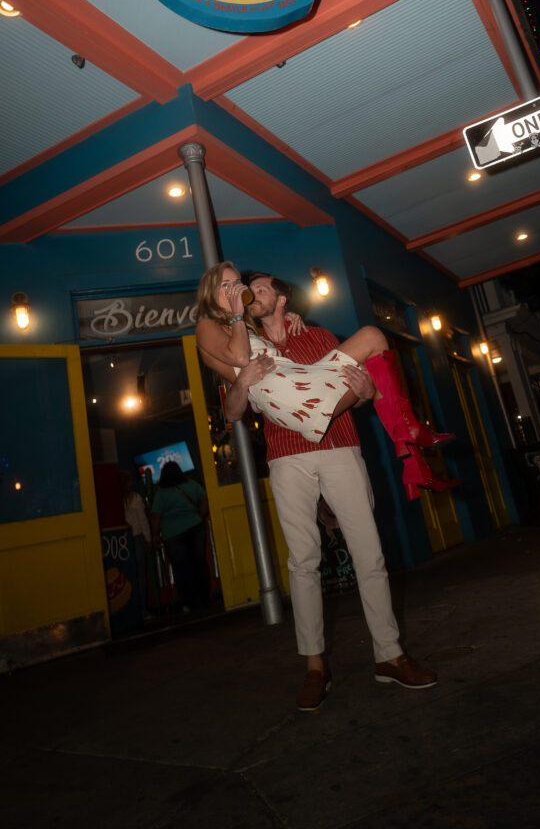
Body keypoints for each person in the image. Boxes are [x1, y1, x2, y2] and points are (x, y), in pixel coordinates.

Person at [195, 262, 450, 711]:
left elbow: (358, 387)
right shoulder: (237, 339)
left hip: (340, 447)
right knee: (303, 562)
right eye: (238, 288)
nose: (248, 294)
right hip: (285, 454)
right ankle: (315, 668)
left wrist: (361, 397)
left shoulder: (316, 335)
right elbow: (233, 411)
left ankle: (389, 655)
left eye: (255, 288)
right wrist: (246, 378)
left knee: (369, 551)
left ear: (282, 298)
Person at [195, 262, 458, 500]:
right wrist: (239, 315)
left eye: (236, 284)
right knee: (372, 345)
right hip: (293, 404)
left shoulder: (248, 326)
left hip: (305, 386)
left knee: (373, 337)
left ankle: (413, 460)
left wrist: (286, 315)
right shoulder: (209, 325)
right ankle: (410, 445)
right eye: (226, 285)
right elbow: (240, 357)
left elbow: (257, 333)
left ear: (281, 300)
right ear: (210, 292)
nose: (235, 290)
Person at [150, 461, 210, 614]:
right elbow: (204, 498)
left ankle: (190, 602)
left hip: (173, 534)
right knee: (199, 562)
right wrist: (201, 514)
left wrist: (155, 536)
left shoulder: (161, 493)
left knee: (181, 569)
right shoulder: (191, 484)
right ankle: (205, 598)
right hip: (195, 527)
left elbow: (156, 517)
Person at [119, 470, 153, 621]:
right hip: (138, 537)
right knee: (140, 575)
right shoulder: (136, 498)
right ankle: (143, 610)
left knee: (126, 576)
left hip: (122, 541)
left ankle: (128, 611)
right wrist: (148, 539)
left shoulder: (115, 500)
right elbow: (143, 521)